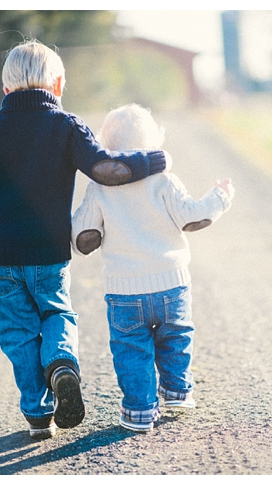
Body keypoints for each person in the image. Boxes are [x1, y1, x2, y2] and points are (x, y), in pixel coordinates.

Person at [0, 40, 172, 440]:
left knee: (18, 333)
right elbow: (105, 169)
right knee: (55, 314)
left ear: (5, 89)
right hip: (48, 253)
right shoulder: (66, 126)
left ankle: (37, 414)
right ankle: (62, 364)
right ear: (59, 84)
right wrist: (151, 159)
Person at [71, 104, 235, 432]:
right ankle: (177, 390)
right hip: (171, 284)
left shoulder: (100, 187)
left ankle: (139, 410)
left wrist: (77, 231)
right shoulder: (165, 180)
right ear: (153, 146)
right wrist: (220, 196)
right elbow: (192, 216)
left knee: (131, 349)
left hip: (124, 291)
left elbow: (83, 235)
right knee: (176, 336)